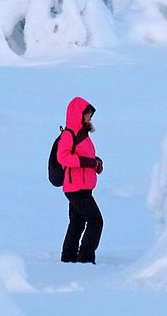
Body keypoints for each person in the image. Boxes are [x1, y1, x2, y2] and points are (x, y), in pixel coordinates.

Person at [57, 96, 104, 263]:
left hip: (83, 187)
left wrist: (96, 163)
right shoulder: (69, 134)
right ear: (78, 114)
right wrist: (87, 162)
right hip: (75, 189)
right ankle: (85, 258)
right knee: (96, 221)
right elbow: (63, 158)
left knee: (77, 222)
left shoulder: (83, 134)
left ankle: (68, 257)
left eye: (90, 115)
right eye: (87, 115)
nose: (89, 118)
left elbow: (87, 157)